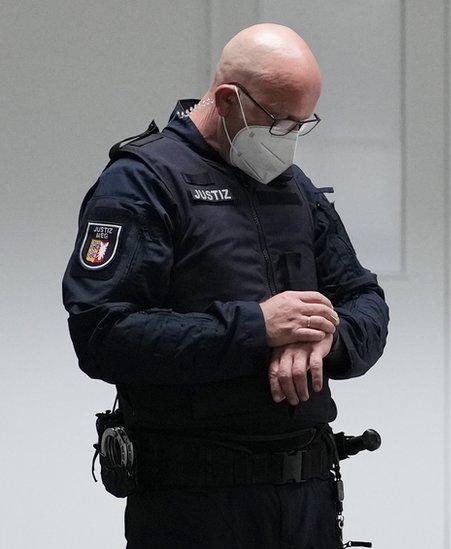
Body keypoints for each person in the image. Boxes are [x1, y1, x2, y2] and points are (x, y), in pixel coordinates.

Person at [61, 23, 389, 548]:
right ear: (227, 99)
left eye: (302, 125)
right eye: (280, 121)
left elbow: (366, 299)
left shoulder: (293, 186)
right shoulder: (143, 181)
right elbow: (102, 334)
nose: (289, 138)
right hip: (195, 502)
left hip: (307, 493)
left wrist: (328, 339)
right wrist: (257, 327)